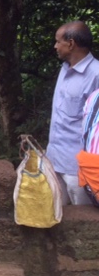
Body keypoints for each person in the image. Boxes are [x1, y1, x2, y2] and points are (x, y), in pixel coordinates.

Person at [47, 20, 99, 205]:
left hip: (78, 168)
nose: (55, 46)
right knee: (55, 214)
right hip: (54, 160)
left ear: (71, 43)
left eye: (58, 41)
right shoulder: (64, 69)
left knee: (83, 218)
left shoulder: (96, 74)